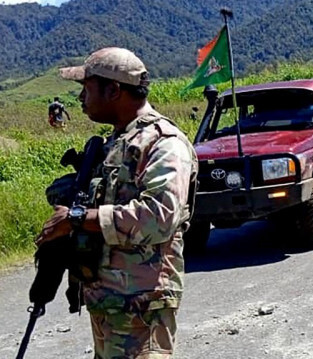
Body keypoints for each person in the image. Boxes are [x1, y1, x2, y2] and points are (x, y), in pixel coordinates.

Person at [35, 47, 198, 358]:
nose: (81, 99)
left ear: (113, 90)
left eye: (87, 88)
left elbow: (159, 216)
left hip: (141, 303)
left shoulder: (163, 143)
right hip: (110, 298)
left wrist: (77, 217)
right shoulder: (117, 142)